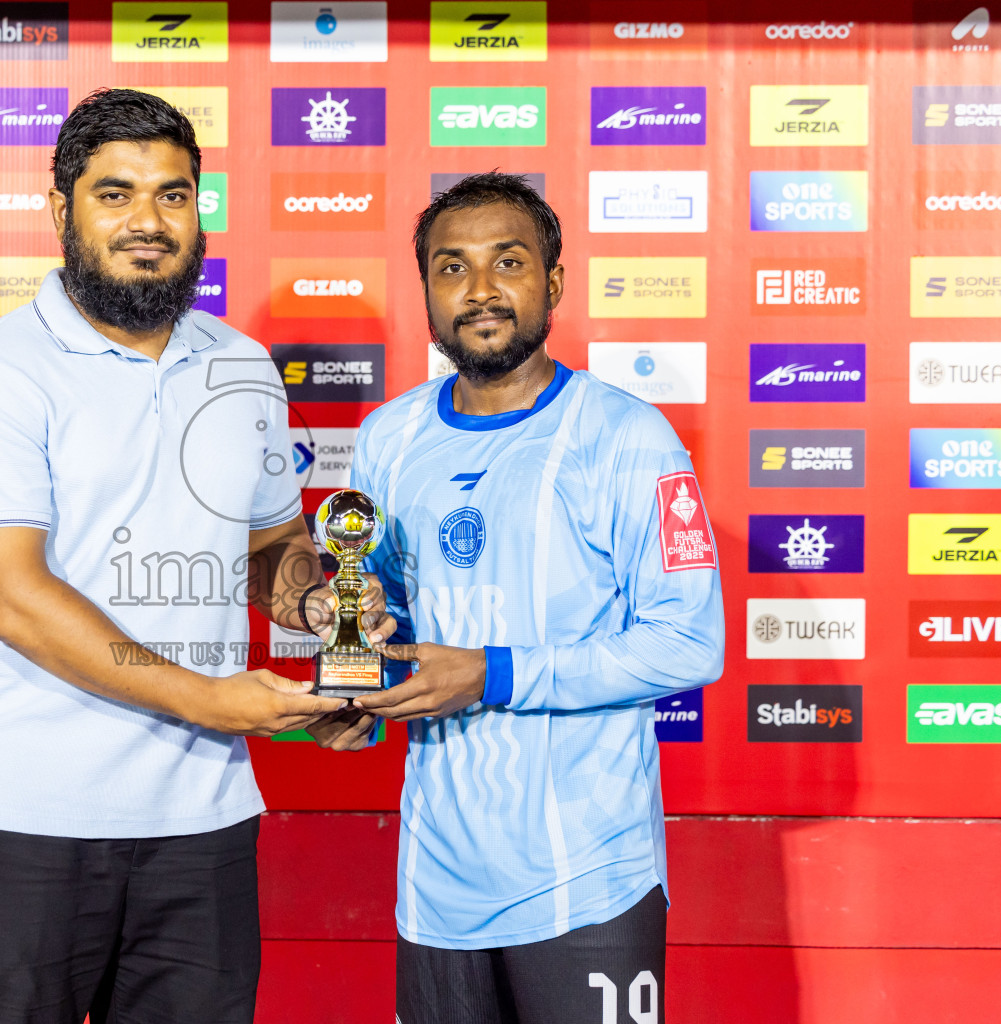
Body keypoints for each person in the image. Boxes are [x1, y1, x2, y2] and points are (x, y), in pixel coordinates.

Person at [0, 88, 390, 1024]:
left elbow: (269, 547)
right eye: (116, 194)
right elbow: (11, 598)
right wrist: (215, 700)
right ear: (61, 210)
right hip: (24, 823)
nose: (149, 222)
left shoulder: (242, 366)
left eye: (174, 196)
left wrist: (320, 609)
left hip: (200, 820)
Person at [310, 172, 724, 1024]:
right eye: (452, 268)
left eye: (509, 262)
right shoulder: (391, 435)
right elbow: (387, 611)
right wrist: (362, 686)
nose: (482, 290)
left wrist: (492, 674)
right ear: (425, 289)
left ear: (555, 282)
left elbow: (689, 643)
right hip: (436, 884)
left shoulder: (625, 434)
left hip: (588, 881)